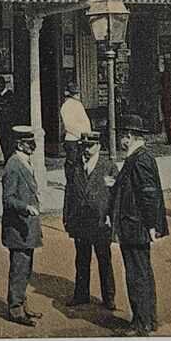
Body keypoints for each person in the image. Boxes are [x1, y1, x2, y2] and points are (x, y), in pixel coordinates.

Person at [109, 115, 169, 336]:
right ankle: (147, 320)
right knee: (141, 273)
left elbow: (149, 194)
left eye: (122, 136)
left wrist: (152, 225)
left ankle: (142, 323)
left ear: (129, 136)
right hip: (135, 225)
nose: (119, 141)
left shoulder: (139, 159)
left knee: (137, 275)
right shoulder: (138, 157)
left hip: (135, 226)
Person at [62, 130, 116, 310]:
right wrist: (67, 218)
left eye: (90, 146)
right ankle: (81, 294)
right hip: (81, 221)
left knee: (104, 260)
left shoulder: (108, 167)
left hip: (101, 222)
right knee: (82, 259)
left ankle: (108, 297)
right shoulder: (75, 166)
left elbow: (114, 196)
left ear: (99, 146)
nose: (86, 149)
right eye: (83, 146)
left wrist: (112, 218)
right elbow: (69, 193)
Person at [1, 124, 44, 326]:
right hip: (18, 228)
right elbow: (7, 199)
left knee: (26, 268)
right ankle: (15, 309)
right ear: (20, 144)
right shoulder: (13, 165)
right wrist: (25, 207)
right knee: (19, 268)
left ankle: (22, 304)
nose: (32, 146)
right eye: (28, 143)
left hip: (26, 228)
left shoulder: (25, 162)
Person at [60, 81, 92, 170]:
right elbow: (69, 125)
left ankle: (76, 182)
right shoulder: (67, 106)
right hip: (73, 138)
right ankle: (71, 182)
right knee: (72, 162)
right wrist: (81, 134)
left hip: (80, 137)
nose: (78, 95)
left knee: (79, 162)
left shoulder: (78, 104)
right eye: (75, 93)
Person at [0, 74, 18, 164]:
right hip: (1, 122)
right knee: (2, 140)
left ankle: (10, 159)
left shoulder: (10, 95)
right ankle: (6, 158)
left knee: (9, 141)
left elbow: (12, 108)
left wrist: (2, 108)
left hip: (9, 122)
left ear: (3, 84)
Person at [157, 58, 171, 145]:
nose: (168, 66)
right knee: (167, 120)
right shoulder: (162, 75)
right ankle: (170, 139)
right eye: (167, 65)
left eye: (169, 65)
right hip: (166, 99)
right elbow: (159, 87)